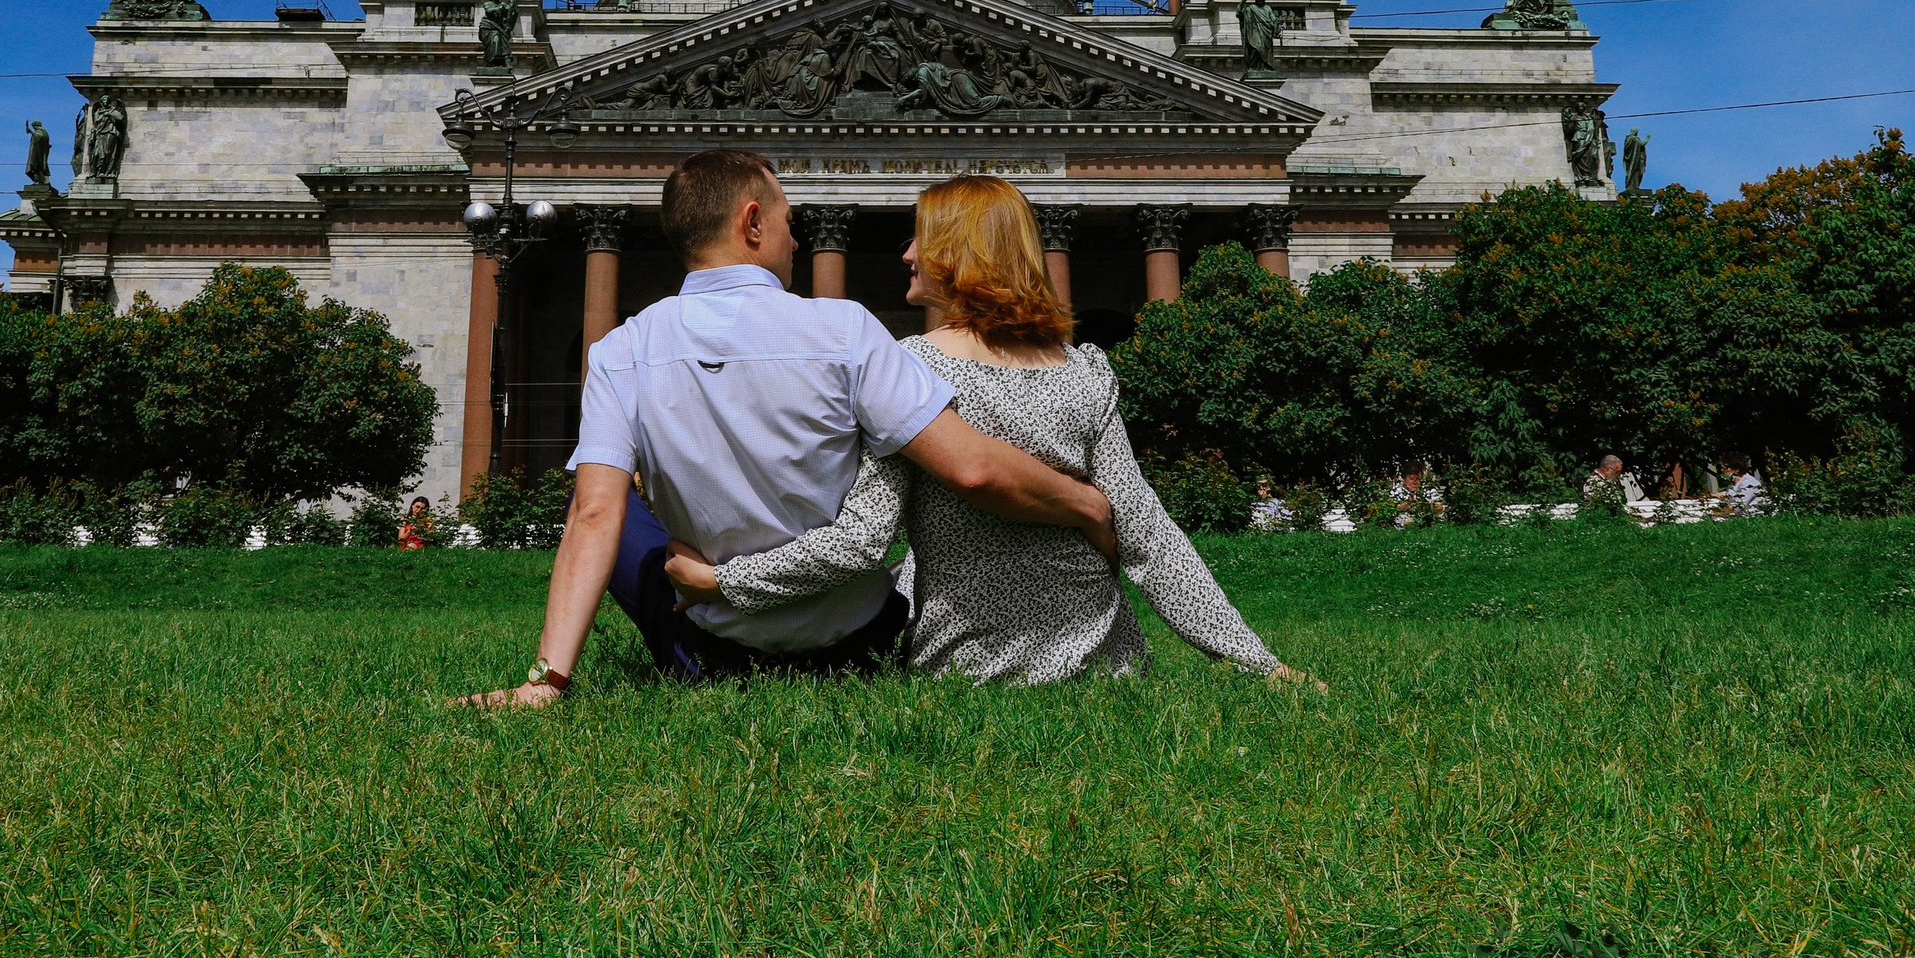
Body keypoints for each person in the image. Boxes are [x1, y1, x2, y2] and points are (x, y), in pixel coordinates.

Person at [457, 150, 1118, 708]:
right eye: (788, 222)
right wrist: (1085, 502)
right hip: (858, 647)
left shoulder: (620, 350)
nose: (797, 240)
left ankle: (597, 670)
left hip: (711, 649)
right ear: (751, 223)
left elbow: (596, 514)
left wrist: (545, 680)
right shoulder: (847, 329)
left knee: (604, 502)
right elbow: (972, 468)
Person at [667, 175, 1313, 688]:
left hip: (968, 669)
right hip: (1105, 667)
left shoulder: (912, 369)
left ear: (960, 253)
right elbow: (1149, 537)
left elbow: (860, 540)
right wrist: (1261, 664)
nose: (907, 253)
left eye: (922, 238)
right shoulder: (1084, 371)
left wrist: (724, 582)